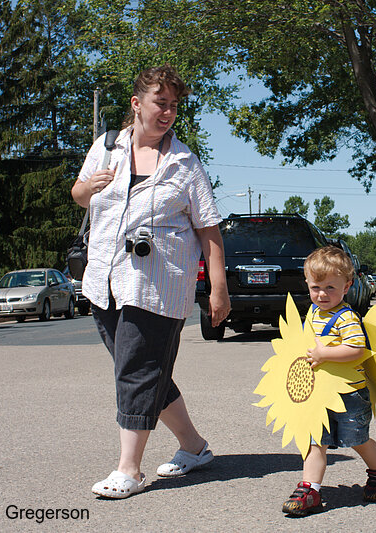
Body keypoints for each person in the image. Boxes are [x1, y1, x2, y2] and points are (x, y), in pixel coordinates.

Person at [71, 64, 230, 499]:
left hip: (161, 284)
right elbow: (78, 194)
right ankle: (194, 448)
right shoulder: (106, 149)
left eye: (174, 106)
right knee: (142, 368)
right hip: (105, 278)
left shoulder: (185, 163)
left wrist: (218, 287)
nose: (168, 113)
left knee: (138, 368)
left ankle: (129, 469)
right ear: (137, 104)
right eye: (161, 103)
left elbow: (209, 229)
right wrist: (91, 187)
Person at [281, 246, 376, 517]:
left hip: (350, 395)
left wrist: (324, 353)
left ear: (347, 286)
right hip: (319, 393)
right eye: (316, 287)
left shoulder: (346, 317)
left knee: (357, 439)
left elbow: (357, 350)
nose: (322, 294)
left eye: (331, 287)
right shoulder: (313, 314)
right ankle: (310, 489)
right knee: (314, 439)